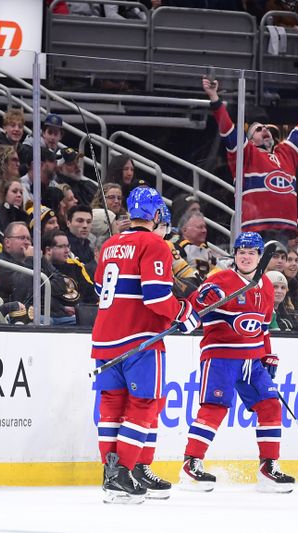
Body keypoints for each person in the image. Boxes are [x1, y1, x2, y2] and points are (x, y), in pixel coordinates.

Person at [92, 187, 200, 503]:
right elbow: (156, 296)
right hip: (139, 338)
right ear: (155, 215)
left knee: (112, 404)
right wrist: (184, 313)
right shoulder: (155, 243)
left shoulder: (111, 244)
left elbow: (100, 288)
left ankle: (114, 473)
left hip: (104, 337)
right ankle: (124, 471)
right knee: (144, 404)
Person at [179, 231, 293, 493]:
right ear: (235, 255)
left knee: (270, 406)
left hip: (252, 360)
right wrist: (195, 310)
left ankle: (268, 468)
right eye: (242, 252)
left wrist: (267, 354)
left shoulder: (264, 286)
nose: (246, 256)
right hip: (221, 357)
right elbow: (190, 314)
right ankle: (191, 464)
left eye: (252, 252)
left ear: (259, 256)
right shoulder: (219, 281)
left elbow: (262, 328)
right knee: (215, 408)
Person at [203, 77, 298, 243]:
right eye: (258, 129)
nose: (265, 130)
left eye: (266, 128)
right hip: (256, 228)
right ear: (250, 140)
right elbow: (227, 129)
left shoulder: (286, 153)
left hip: (285, 229)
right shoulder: (246, 154)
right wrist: (214, 98)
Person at [0, 222, 32, 302]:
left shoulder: (30, 262)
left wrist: (43, 260)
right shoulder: (0, 264)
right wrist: (30, 259)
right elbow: (21, 290)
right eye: (22, 238)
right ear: (7, 242)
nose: (27, 242)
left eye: (29, 239)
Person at [66, 204, 97, 277]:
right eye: (80, 221)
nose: (85, 225)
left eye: (89, 222)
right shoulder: (64, 245)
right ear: (68, 223)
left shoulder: (88, 246)